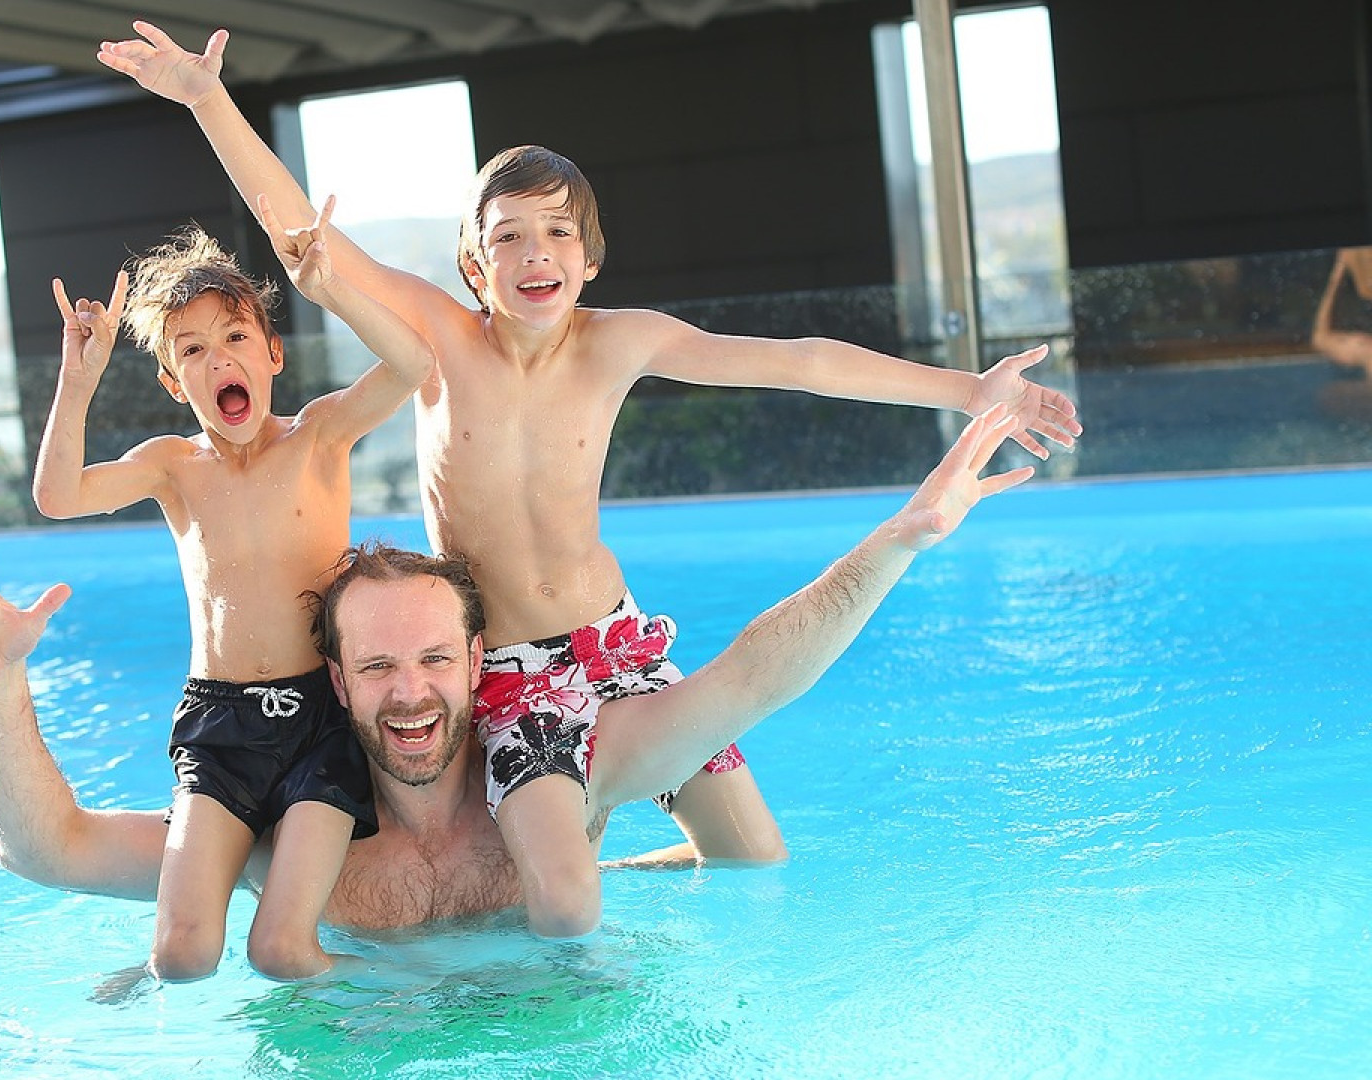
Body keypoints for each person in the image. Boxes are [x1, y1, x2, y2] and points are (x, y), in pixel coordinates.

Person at [95, 22, 1084, 937]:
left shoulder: (622, 344)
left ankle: (622, 849)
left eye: (558, 232)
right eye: (508, 235)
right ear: (474, 267)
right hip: (515, 671)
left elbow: (800, 360)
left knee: (751, 855)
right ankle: (567, 856)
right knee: (564, 908)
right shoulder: (441, 341)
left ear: (590, 257)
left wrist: (966, 388)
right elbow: (300, 233)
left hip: (617, 637)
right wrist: (205, 100)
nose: (535, 254)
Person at [0, 406, 1035, 960]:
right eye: (381, 665)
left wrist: (900, 539)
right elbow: (42, 852)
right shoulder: (280, 839)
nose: (412, 693)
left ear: (478, 663)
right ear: (337, 685)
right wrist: (0, 688)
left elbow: (749, 680)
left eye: (437, 659)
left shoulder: (564, 780)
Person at [23, 205, 433, 981]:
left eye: (236, 339)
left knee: (279, 950)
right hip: (220, 724)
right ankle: (161, 963)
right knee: (179, 957)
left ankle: (422, 996)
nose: (220, 362)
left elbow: (413, 365)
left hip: (322, 721)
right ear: (175, 383)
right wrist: (78, 381)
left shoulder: (319, 435)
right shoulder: (174, 466)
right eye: (194, 351)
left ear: (273, 354)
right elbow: (57, 496)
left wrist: (332, 288)